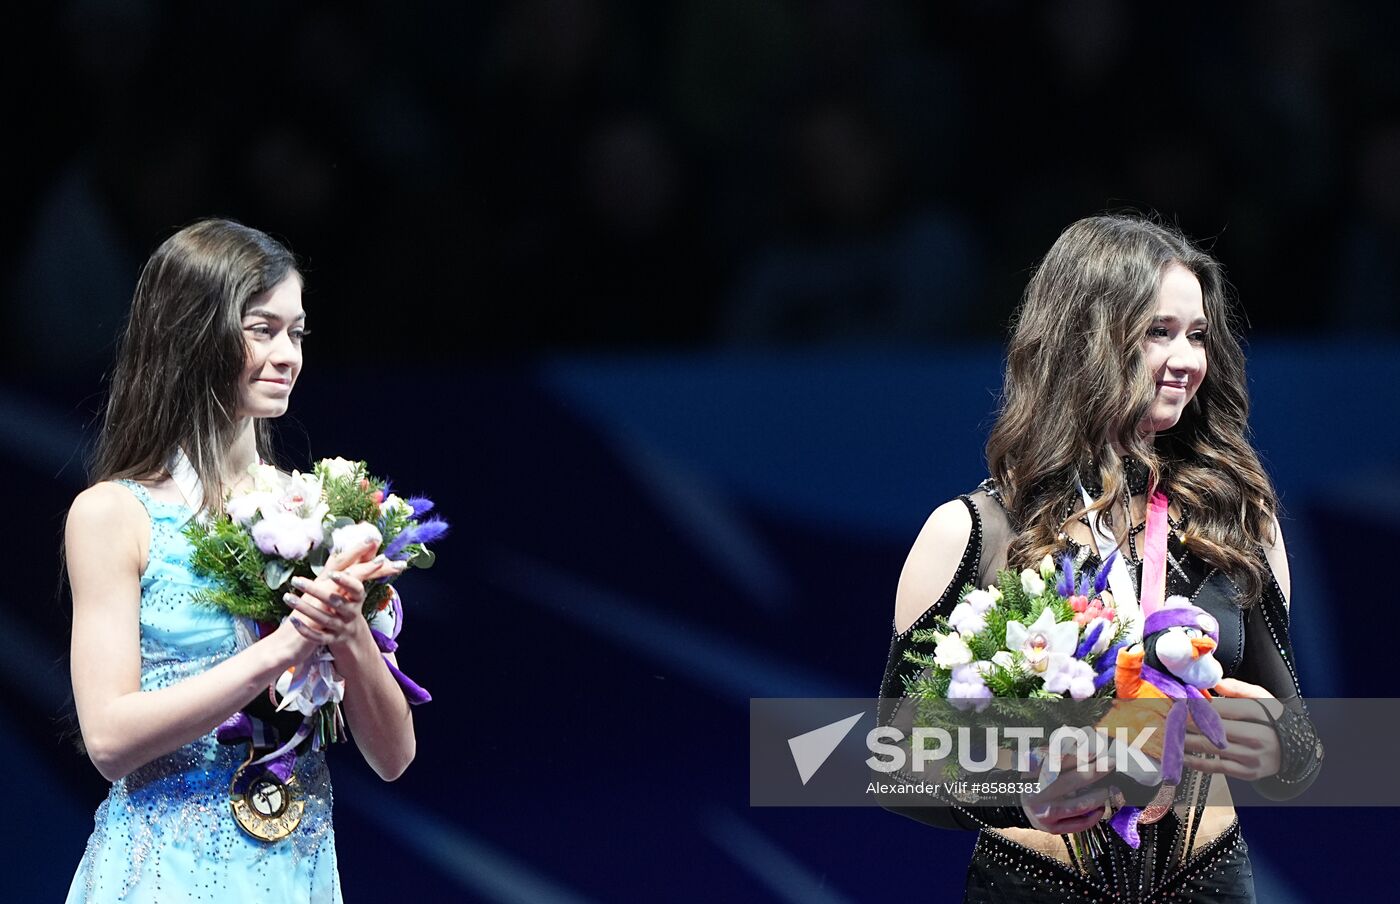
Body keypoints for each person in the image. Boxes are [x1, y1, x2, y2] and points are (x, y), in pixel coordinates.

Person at [878, 214, 1323, 902]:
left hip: (1205, 884)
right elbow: (895, 765)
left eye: (1197, 335)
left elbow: (1296, 753)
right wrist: (1021, 795)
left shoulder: (1236, 521)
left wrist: (1279, 750)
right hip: (1036, 884)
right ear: (1085, 339)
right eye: (1158, 332)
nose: (1187, 360)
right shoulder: (974, 532)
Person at [64, 219, 416, 902]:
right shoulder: (114, 514)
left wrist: (347, 634)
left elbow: (394, 757)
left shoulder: (321, 520)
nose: (288, 355)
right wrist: (284, 647)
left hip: (295, 875)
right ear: (194, 334)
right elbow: (108, 739)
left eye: (298, 332)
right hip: (159, 875)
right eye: (263, 329)